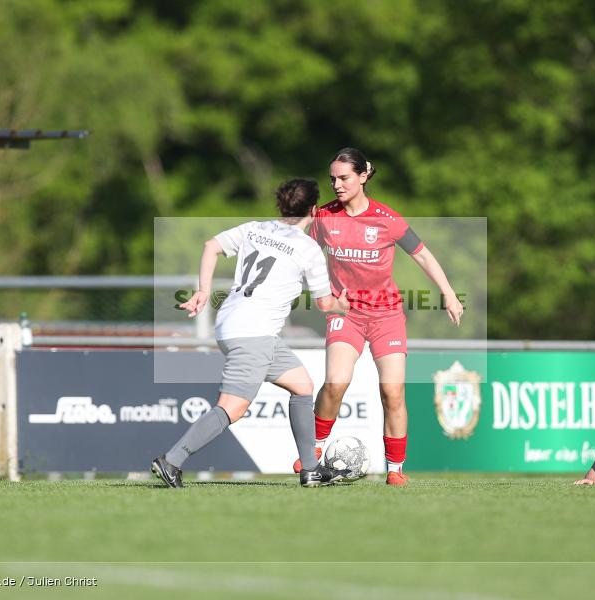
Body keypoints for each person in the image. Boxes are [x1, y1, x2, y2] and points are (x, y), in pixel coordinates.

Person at [152, 179, 351, 488]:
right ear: (313, 210)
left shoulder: (256, 228)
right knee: (233, 407)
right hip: (253, 333)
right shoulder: (309, 248)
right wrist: (342, 305)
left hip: (237, 325)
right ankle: (172, 460)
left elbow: (211, 247)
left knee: (302, 384)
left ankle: (310, 469)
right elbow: (326, 304)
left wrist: (203, 291)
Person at [292, 148, 464, 486]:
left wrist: (448, 293)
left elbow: (424, 256)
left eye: (344, 178)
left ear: (363, 177)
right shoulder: (324, 217)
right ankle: (312, 453)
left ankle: (396, 470)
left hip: (387, 316)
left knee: (393, 392)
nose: (337, 185)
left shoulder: (388, 219)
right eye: (333, 179)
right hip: (347, 314)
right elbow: (298, 251)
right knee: (336, 382)